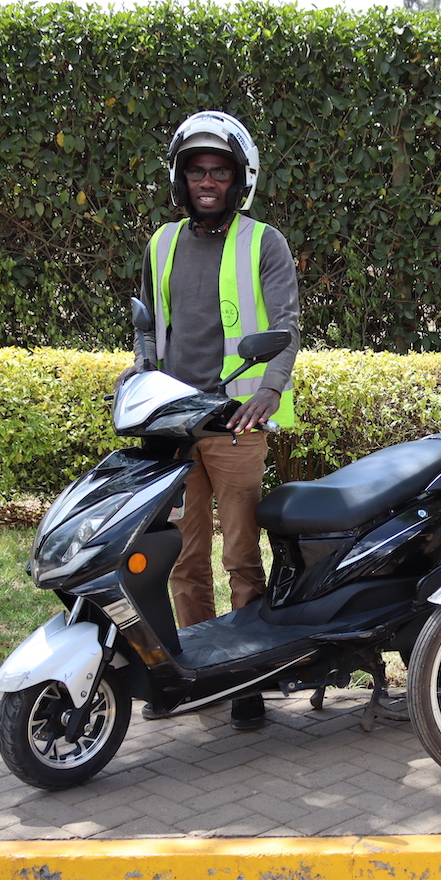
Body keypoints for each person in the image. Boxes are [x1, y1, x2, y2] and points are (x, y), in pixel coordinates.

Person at [130, 110, 300, 730]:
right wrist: (140, 371)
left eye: (219, 172)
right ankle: (199, 674)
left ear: (239, 179)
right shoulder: (161, 242)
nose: (207, 181)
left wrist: (270, 391)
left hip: (235, 422)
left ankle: (247, 676)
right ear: (181, 178)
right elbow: (149, 325)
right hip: (176, 424)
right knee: (183, 557)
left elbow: (286, 324)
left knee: (241, 556)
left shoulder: (264, 242)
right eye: (197, 170)